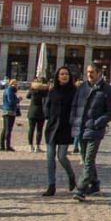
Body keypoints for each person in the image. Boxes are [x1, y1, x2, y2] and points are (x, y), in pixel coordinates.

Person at [71, 64, 111, 201]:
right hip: (81, 128)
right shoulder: (82, 87)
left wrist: (99, 122)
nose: (89, 74)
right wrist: (73, 120)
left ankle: (81, 189)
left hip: (95, 129)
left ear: (99, 73)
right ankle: (95, 184)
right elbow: (75, 105)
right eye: (87, 72)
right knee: (86, 159)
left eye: (92, 72)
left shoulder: (107, 89)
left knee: (89, 159)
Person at [42, 66, 77, 196]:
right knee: (50, 158)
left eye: (66, 74)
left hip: (65, 128)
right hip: (52, 128)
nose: (64, 76)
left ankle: (71, 175)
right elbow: (46, 106)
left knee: (62, 156)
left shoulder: (74, 91)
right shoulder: (53, 91)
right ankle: (51, 185)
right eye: (62, 74)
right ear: (57, 76)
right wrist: (48, 116)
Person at [26, 78, 50, 153]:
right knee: (39, 130)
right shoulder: (44, 91)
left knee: (31, 129)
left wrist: (32, 87)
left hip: (32, 112)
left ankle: (30, 146)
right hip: (41, 112)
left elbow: (27, 96)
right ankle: (37, 146)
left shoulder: (33, 90)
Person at [0, 79, 21, 151]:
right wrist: (18, 99)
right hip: (9, 111)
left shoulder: (8, 90)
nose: (17, 87)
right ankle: (7, 146)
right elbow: (11, 101)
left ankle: (2, 146)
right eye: (17, 85)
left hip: (6, 110)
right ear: (14, 84)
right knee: (8, 129)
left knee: (5, 129)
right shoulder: (10, 90)